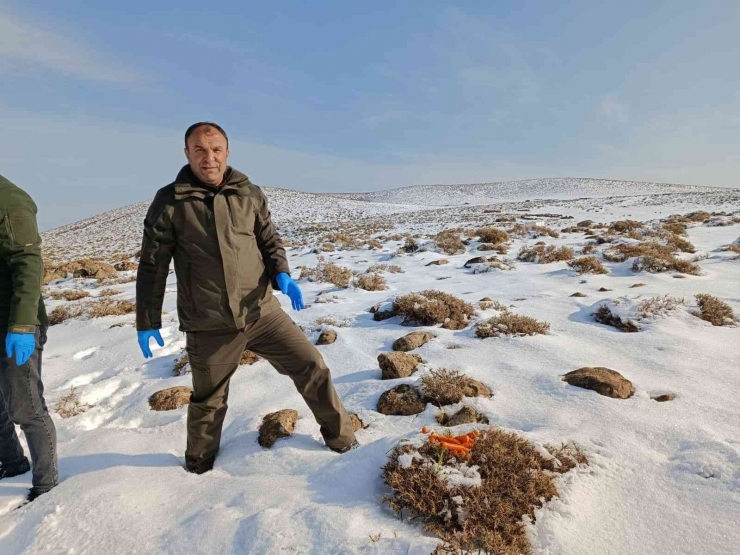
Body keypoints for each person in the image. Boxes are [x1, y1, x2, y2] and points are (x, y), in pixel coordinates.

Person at [135, 122, 357, 474]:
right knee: (209, 400)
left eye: (216, 149)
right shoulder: (170, 201)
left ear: (227, 151)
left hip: (262, 311)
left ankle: (344, 441)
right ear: (187, 153)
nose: (209, 158)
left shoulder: (247, 192)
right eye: (200, 150)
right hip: (209, 323)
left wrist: (281, 271)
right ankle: (198, 467)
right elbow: (152, 265)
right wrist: (147, 320)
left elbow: (269, 240)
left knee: (312, 367)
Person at [0, 173, 57, 502]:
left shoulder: (9, 200)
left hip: (17, 325)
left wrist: (21, 326)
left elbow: (27, 263)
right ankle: (12, 463)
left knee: (25, 408)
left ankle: (46, 487)